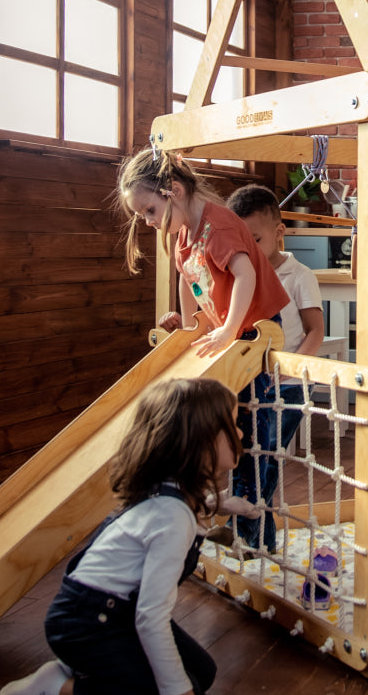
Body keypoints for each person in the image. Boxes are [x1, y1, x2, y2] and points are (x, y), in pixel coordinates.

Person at [0, 377, 245, 695]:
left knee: (203, 673)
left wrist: (222, 504)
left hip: (111, 613)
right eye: (233, 424)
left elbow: (188, 507)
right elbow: (150, 617)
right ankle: (58, 688)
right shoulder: (172, 518)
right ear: (202, 442)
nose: (241, 432)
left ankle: (88, 669)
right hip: (86, 623)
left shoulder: (173, 490)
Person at [116, 148, 291, 554]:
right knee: (225, 424)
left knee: (252, 429)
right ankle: (234, 525)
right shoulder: (183, 234)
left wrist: (229, 328)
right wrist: (191, 322)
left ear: (173, 190)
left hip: (255, 331)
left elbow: (245, 275)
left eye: (149, 210)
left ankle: (254, 540)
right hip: (229, 331)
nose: (148, 221)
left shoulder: (219, 225)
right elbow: (187, 277)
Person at [226, 183, 327, 552]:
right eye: (242, 241)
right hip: (250, 383)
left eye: (255, 239)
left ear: (278, 232)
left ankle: (239, 529)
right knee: (247, 458)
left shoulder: (298, 276)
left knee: (265, 458)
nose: (248, 249)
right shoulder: (242, 277)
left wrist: (291, 369)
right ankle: (261, 544)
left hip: (288, 385)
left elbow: (316, 330)